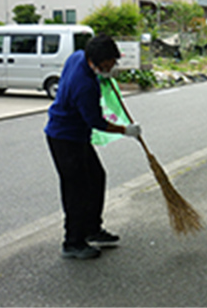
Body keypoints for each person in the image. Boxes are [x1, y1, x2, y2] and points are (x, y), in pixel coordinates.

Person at [44, 34, 141, 260]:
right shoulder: (85, 86)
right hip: (64, 138)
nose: (113, 66)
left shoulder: (78, 57)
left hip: (78, 136)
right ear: (98, 60)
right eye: (110, 62)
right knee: (76, 190)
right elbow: (96, 121)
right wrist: (125, 130)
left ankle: (92, 228)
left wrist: (101, 76)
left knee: (96, 177)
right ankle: (73, 243)